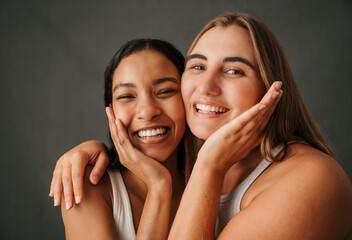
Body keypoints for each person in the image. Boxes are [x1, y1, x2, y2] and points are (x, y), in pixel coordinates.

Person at [50, 12, 352, 239]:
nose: (206, 87)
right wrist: (92, 148)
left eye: (234, 70)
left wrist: (209, 165)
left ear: (270, 86)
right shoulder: (186, 158)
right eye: (197, 66)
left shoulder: (311, 179)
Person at [56, 37, 280, 240]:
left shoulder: (216, 181)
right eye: (126, 96)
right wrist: (158, 187)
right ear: (110, 111)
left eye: (165, 92)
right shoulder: (85, 185)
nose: (147, 111)